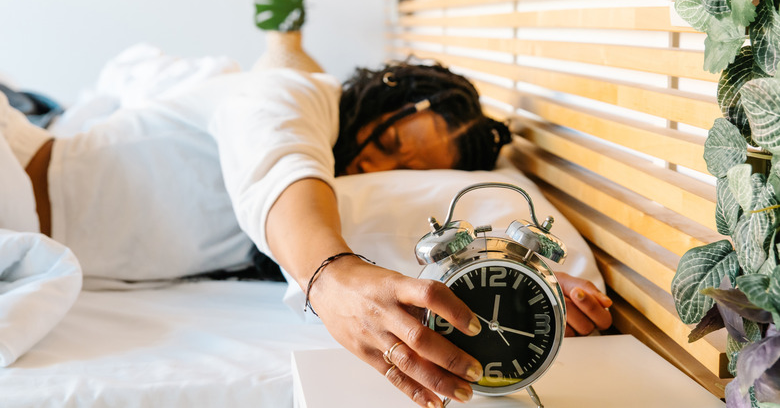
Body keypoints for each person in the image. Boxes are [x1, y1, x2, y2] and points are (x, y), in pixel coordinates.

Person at [1, 58, 612, 408]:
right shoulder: (293, 92)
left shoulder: (332, 198)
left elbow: (408, 231)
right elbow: (278, 157)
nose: (373, 169)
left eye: (404, 173)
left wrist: (520, 282)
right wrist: (333, 275)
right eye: (389, 144)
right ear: (382, 98)